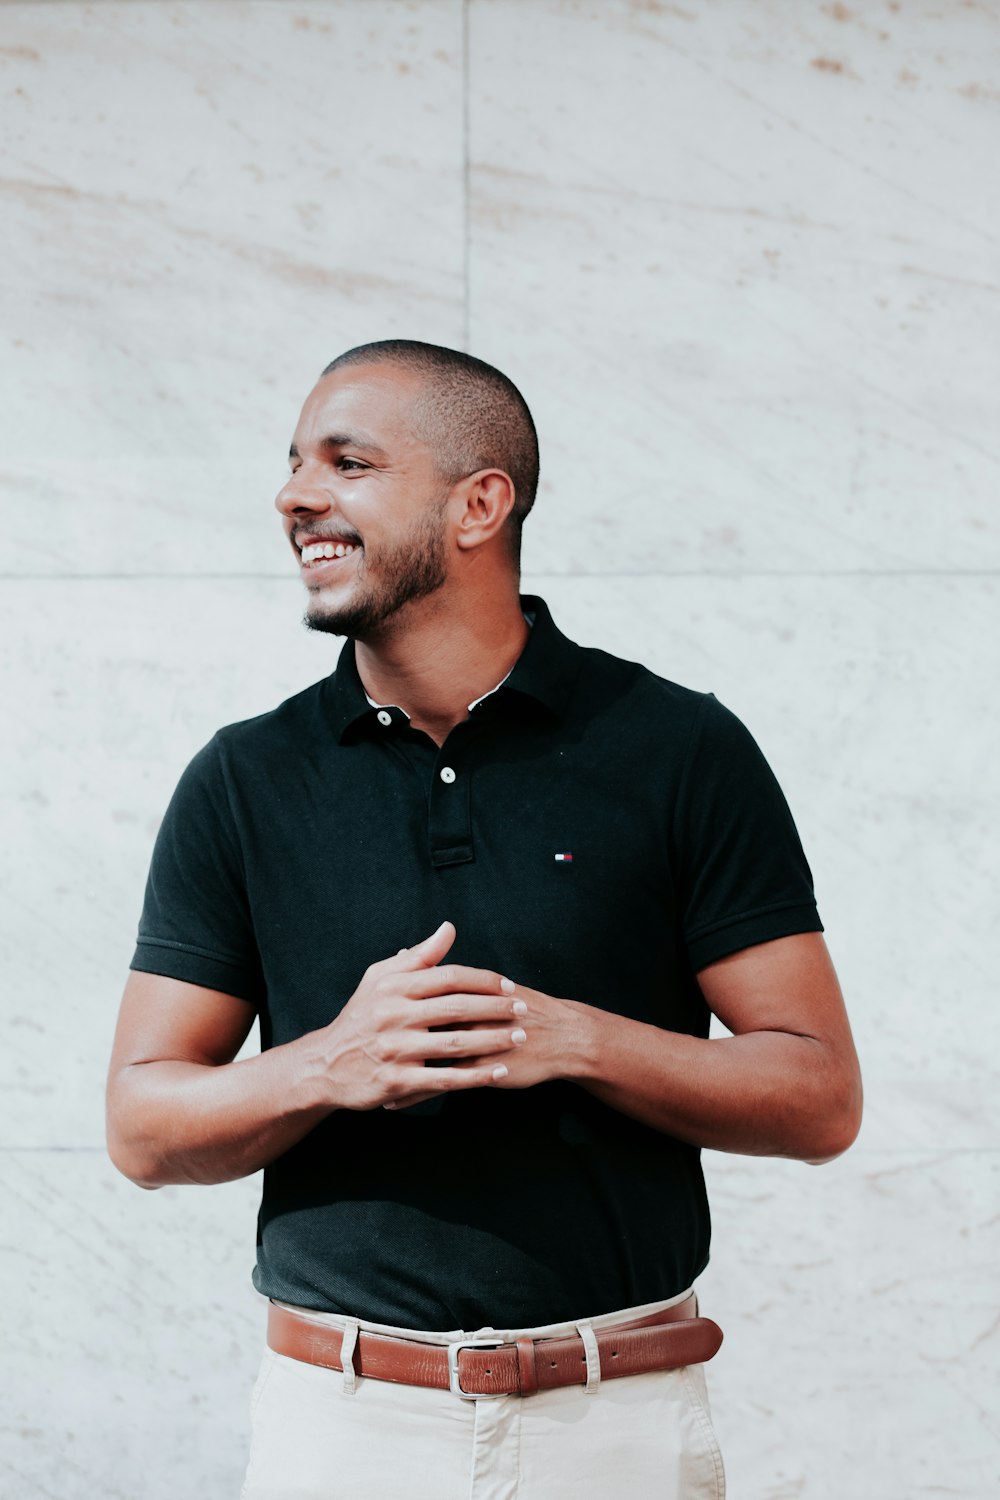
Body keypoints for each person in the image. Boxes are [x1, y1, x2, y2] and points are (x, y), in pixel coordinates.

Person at [106, 339, 862, 1500]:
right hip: (340, 1434)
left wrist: (576, 1040)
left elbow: (818, 1098)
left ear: (480, 504)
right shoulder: (245, 780)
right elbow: (144, 1127)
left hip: (621, 1426)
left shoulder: (675, 750)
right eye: (294, 463)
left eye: (346, 463)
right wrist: (325, 1065)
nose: (296, 495)